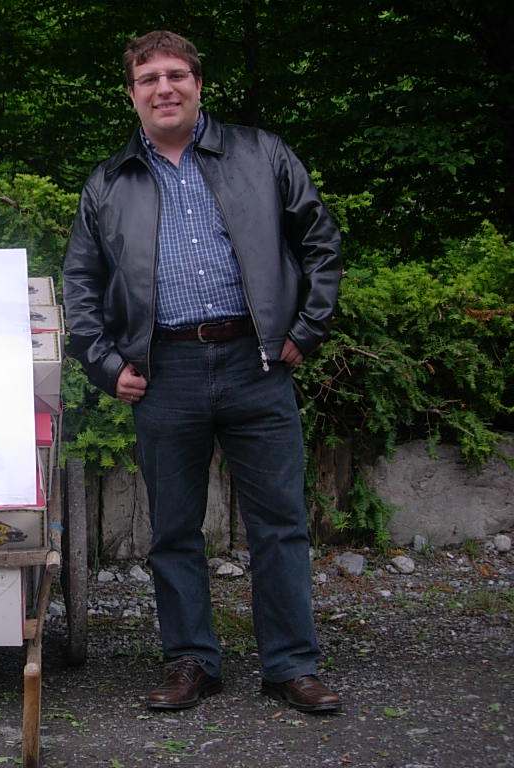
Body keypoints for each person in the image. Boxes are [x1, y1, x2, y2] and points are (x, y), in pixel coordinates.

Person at [63, 30, 343, 714]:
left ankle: (291, 665)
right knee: (174, 531)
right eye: (148, 78)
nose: (164, 88)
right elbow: (81, 284)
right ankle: (191, 660)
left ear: (197, 83)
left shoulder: (261, 153)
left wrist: (306, 329)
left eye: (176, 75)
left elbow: (320, 242)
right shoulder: (108, 183)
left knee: (279, 524)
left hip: (257, 363)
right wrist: (104, 364)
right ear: (131, 94)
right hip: (165, 372)